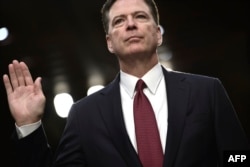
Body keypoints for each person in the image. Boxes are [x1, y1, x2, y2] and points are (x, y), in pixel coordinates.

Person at [3, 0, 250, 166]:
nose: (130, 24)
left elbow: (239, 157)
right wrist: (29, 126)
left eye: (140, 16)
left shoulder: (207, 91)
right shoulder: (83, 114)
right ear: (110, 42)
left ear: (158, 34)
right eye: (119, 21)